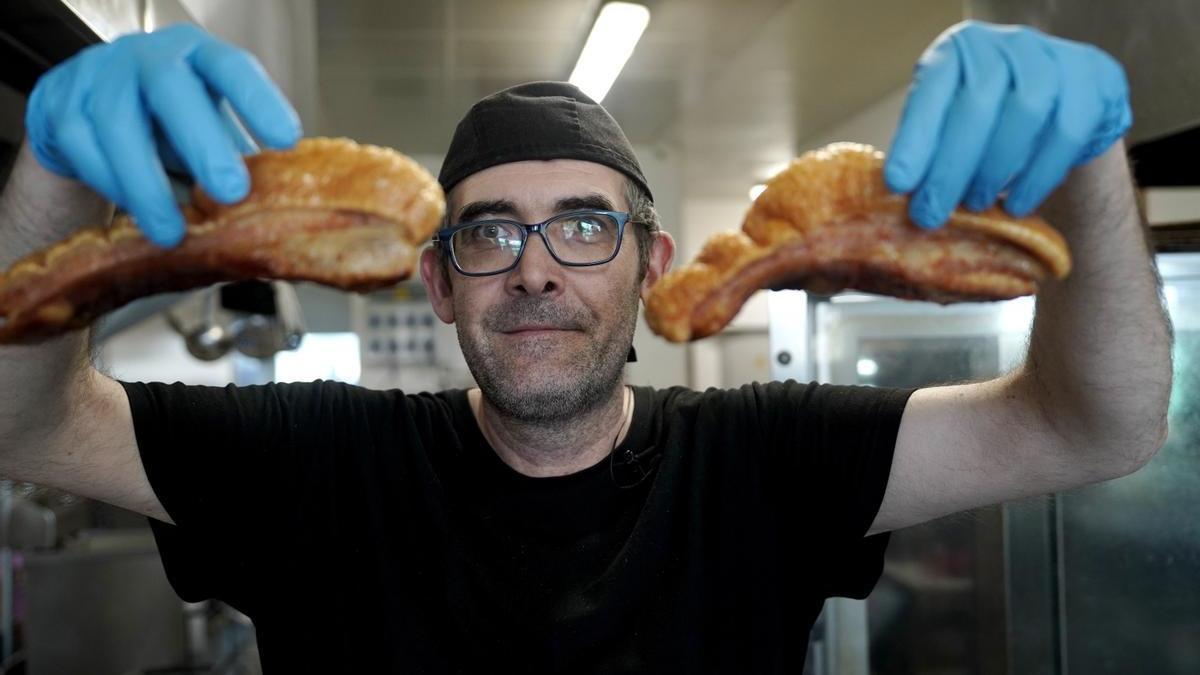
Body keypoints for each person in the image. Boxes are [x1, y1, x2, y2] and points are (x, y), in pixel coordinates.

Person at [0, 19, 1171, 674]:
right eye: (490, 232)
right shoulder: (319, 461)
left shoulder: (768, 460)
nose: (537, 268)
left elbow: (1097, 427)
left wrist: (1087, 173)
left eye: (584, 225)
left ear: (651, 266)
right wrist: (54, 179)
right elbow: (24, 424)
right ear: (437, 282)